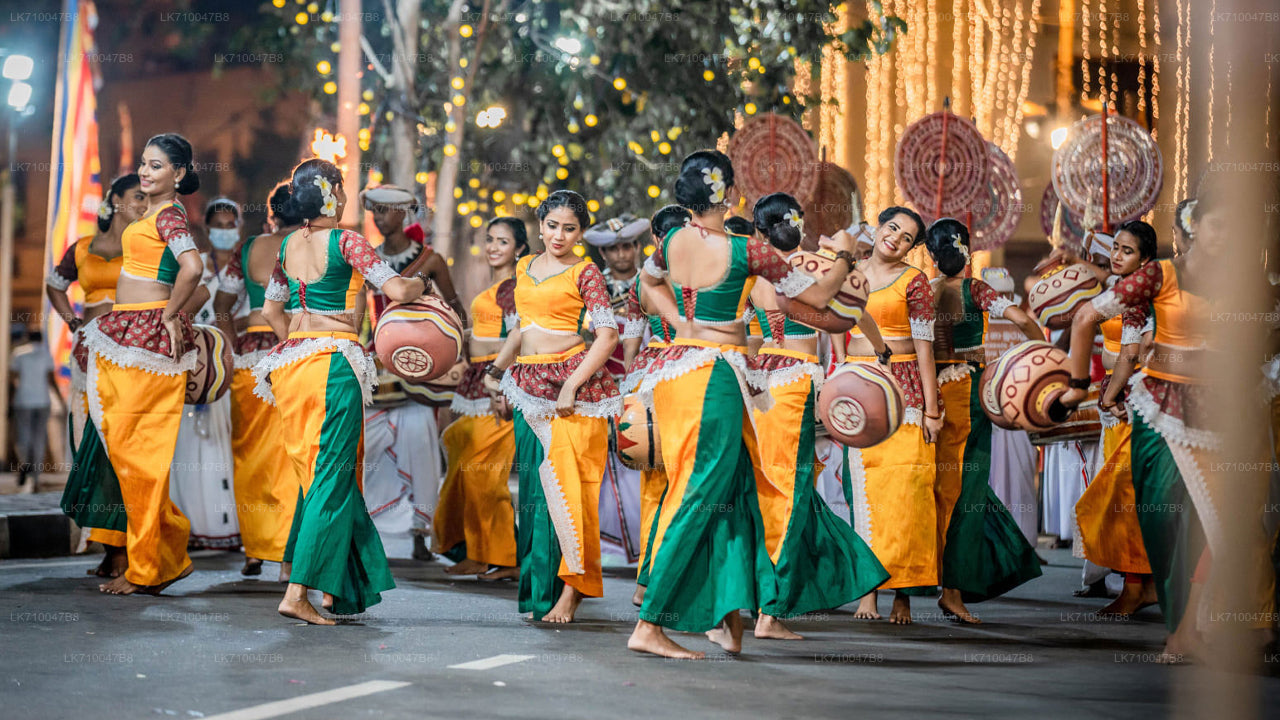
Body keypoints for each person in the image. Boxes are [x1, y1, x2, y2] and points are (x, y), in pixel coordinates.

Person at [628, 150, 860, 659]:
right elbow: (819, 298)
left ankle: (727, 620)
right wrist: (844, 253)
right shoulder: (748, 251)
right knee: (698, 491)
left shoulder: (670, 241)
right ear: (729, 194)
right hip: (716, 375)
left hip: (679, 369)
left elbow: (646, 283)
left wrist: (681, 322)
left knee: (732, 490)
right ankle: (650, 622)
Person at [1060, 190, 1273, 662]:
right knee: (1162, 522)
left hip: (1226, 413)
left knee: (1221, 525)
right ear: (1195, 226)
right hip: (1160, 411)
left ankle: (1188, 631)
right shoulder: (1161, 273)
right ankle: (1179, 618)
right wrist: (1079, 387)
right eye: (1219, 225)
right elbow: (1085, 316)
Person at [255, 158, 426, 624]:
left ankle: (332, 584)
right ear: (331, 193)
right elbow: (395, 288)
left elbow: (273, 310)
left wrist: (299, 337)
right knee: (332, 476)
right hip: (334, 364)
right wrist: (422, 282)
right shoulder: (347, 241)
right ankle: (297, 592)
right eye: (343, 188)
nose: (348, 196)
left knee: (315, 475)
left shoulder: (288, 244)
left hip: (292, 365)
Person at [746, 192, 891, 639]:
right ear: (799, 225)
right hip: (791, 384)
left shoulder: (751, 274)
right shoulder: (811, 269)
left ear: (759, 230)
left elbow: (748, 337)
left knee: (771, 488)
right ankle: (771, 613)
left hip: (760, 385)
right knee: (790, 492)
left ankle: (758, 601)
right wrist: (882, 350)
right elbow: (851, 312)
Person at [483, 190, 619, 624]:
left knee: (570, 494)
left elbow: (608, 335)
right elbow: (523, 327)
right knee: (537, 497)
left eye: (570, 228)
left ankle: (571, 591)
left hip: (574, 392)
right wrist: (496, 372)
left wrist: (572, 386)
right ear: (540, 226)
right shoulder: (524, 267)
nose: (560, 235)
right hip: (527, 387)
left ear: (581, 233)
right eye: (553, 226)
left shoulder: (586, 272)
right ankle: (539, 591)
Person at [83, 133, 205, 596]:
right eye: (144, 165)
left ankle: (146, 567)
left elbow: (192, 268)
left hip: (148, 334)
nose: (146, 173)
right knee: (127, 450)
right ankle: (167, 549)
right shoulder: (153, 214)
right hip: (129, 330)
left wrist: (171, 314)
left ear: (179, 172)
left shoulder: (171, 215)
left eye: (156, 166)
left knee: (141, 457)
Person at [924, 218, 1044, 624]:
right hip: (967, 394)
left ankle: (932, 579)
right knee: (967, 490)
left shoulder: (922, 289)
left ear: (930, 254)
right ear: (968, 252)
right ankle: (953, 590)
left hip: (927, 394)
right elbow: (1024, 320)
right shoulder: (976, 290)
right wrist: (1042, 359)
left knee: (940, 489)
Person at [839, 205, 942, 625]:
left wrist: (933, 411)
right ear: (878, 227)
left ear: (912, 248)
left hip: (905, 391)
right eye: (892, 228)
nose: (895, 238)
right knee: (863, 492)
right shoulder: (848, 273)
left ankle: (902, 592)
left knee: (907, 494)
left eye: (906, 237)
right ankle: (868, 591)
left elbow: (924, 350)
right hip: (854, 385)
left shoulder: (914, 283)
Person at [49, 173, 143, 576]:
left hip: (129, 356)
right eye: (137, 195)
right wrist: (72, 320)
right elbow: (55, 285)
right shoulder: (84, 248)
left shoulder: (145, 246)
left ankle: (127, 548)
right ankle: (107, 546)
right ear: (115, 200)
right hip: (88, 353)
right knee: (88, 444)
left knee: (119, 447)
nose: (143, 201)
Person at [361, 185, 455, 560]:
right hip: (381, 361)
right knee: (365, 441)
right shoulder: (368, 260)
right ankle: (369, 517)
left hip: (422, 363)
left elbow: (457, 308)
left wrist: (447, 350)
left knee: (420, 442)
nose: (380, 218)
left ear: (404, 214)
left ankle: (420, 527)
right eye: (375, 211)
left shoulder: (430, 260)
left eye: (386, 211)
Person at [213, 182, 301, 579]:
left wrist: (230, 344)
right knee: (290, 455)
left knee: (249, 456)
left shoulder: (247, 249)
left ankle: (255, 547)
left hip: (249, 354)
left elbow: (222, 305)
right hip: (295, 350)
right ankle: (287, 557)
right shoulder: (309, 245)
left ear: (272, 214)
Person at [433, 216, 524, 580]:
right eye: (490, 239)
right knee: (462, 460)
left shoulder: (514, 289)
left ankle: (506, 557)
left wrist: (505, 383)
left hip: (496, 384)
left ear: (519, 249)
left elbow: (521, 337)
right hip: (477, 382)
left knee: (484, 475)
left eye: (503, 241)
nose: (493, 247)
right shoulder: (495, 287)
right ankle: (475, 550)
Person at [623, 204, 689, 607]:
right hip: (685, 369)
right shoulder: (699, 273)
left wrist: (630, 389)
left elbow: (632, 341)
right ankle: (662, 576)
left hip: (649, 373)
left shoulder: (639, 282)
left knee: (656, 483)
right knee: (679, 479)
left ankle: (647, 580)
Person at [584, 214, 651, 561]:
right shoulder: (594, 290)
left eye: (627, 245)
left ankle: (645, 541)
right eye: (614, 249)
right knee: (608, 460)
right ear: (605, 255)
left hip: (645, 382)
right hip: (604, 386)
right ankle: (610, 545)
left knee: (644, 452)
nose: (622, 254)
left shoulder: (651, 283)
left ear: (638, 247)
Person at [9, 328, 62, 492]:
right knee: (39, 438)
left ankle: (25, 464)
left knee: (24, 436)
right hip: (42, 400)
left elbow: (13, 379)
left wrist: (10, 401)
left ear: (26, 337)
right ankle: (36, 477)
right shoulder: (46, 354)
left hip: (23, 400)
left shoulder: (18, 353)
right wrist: (59, 399)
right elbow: (51, 379)